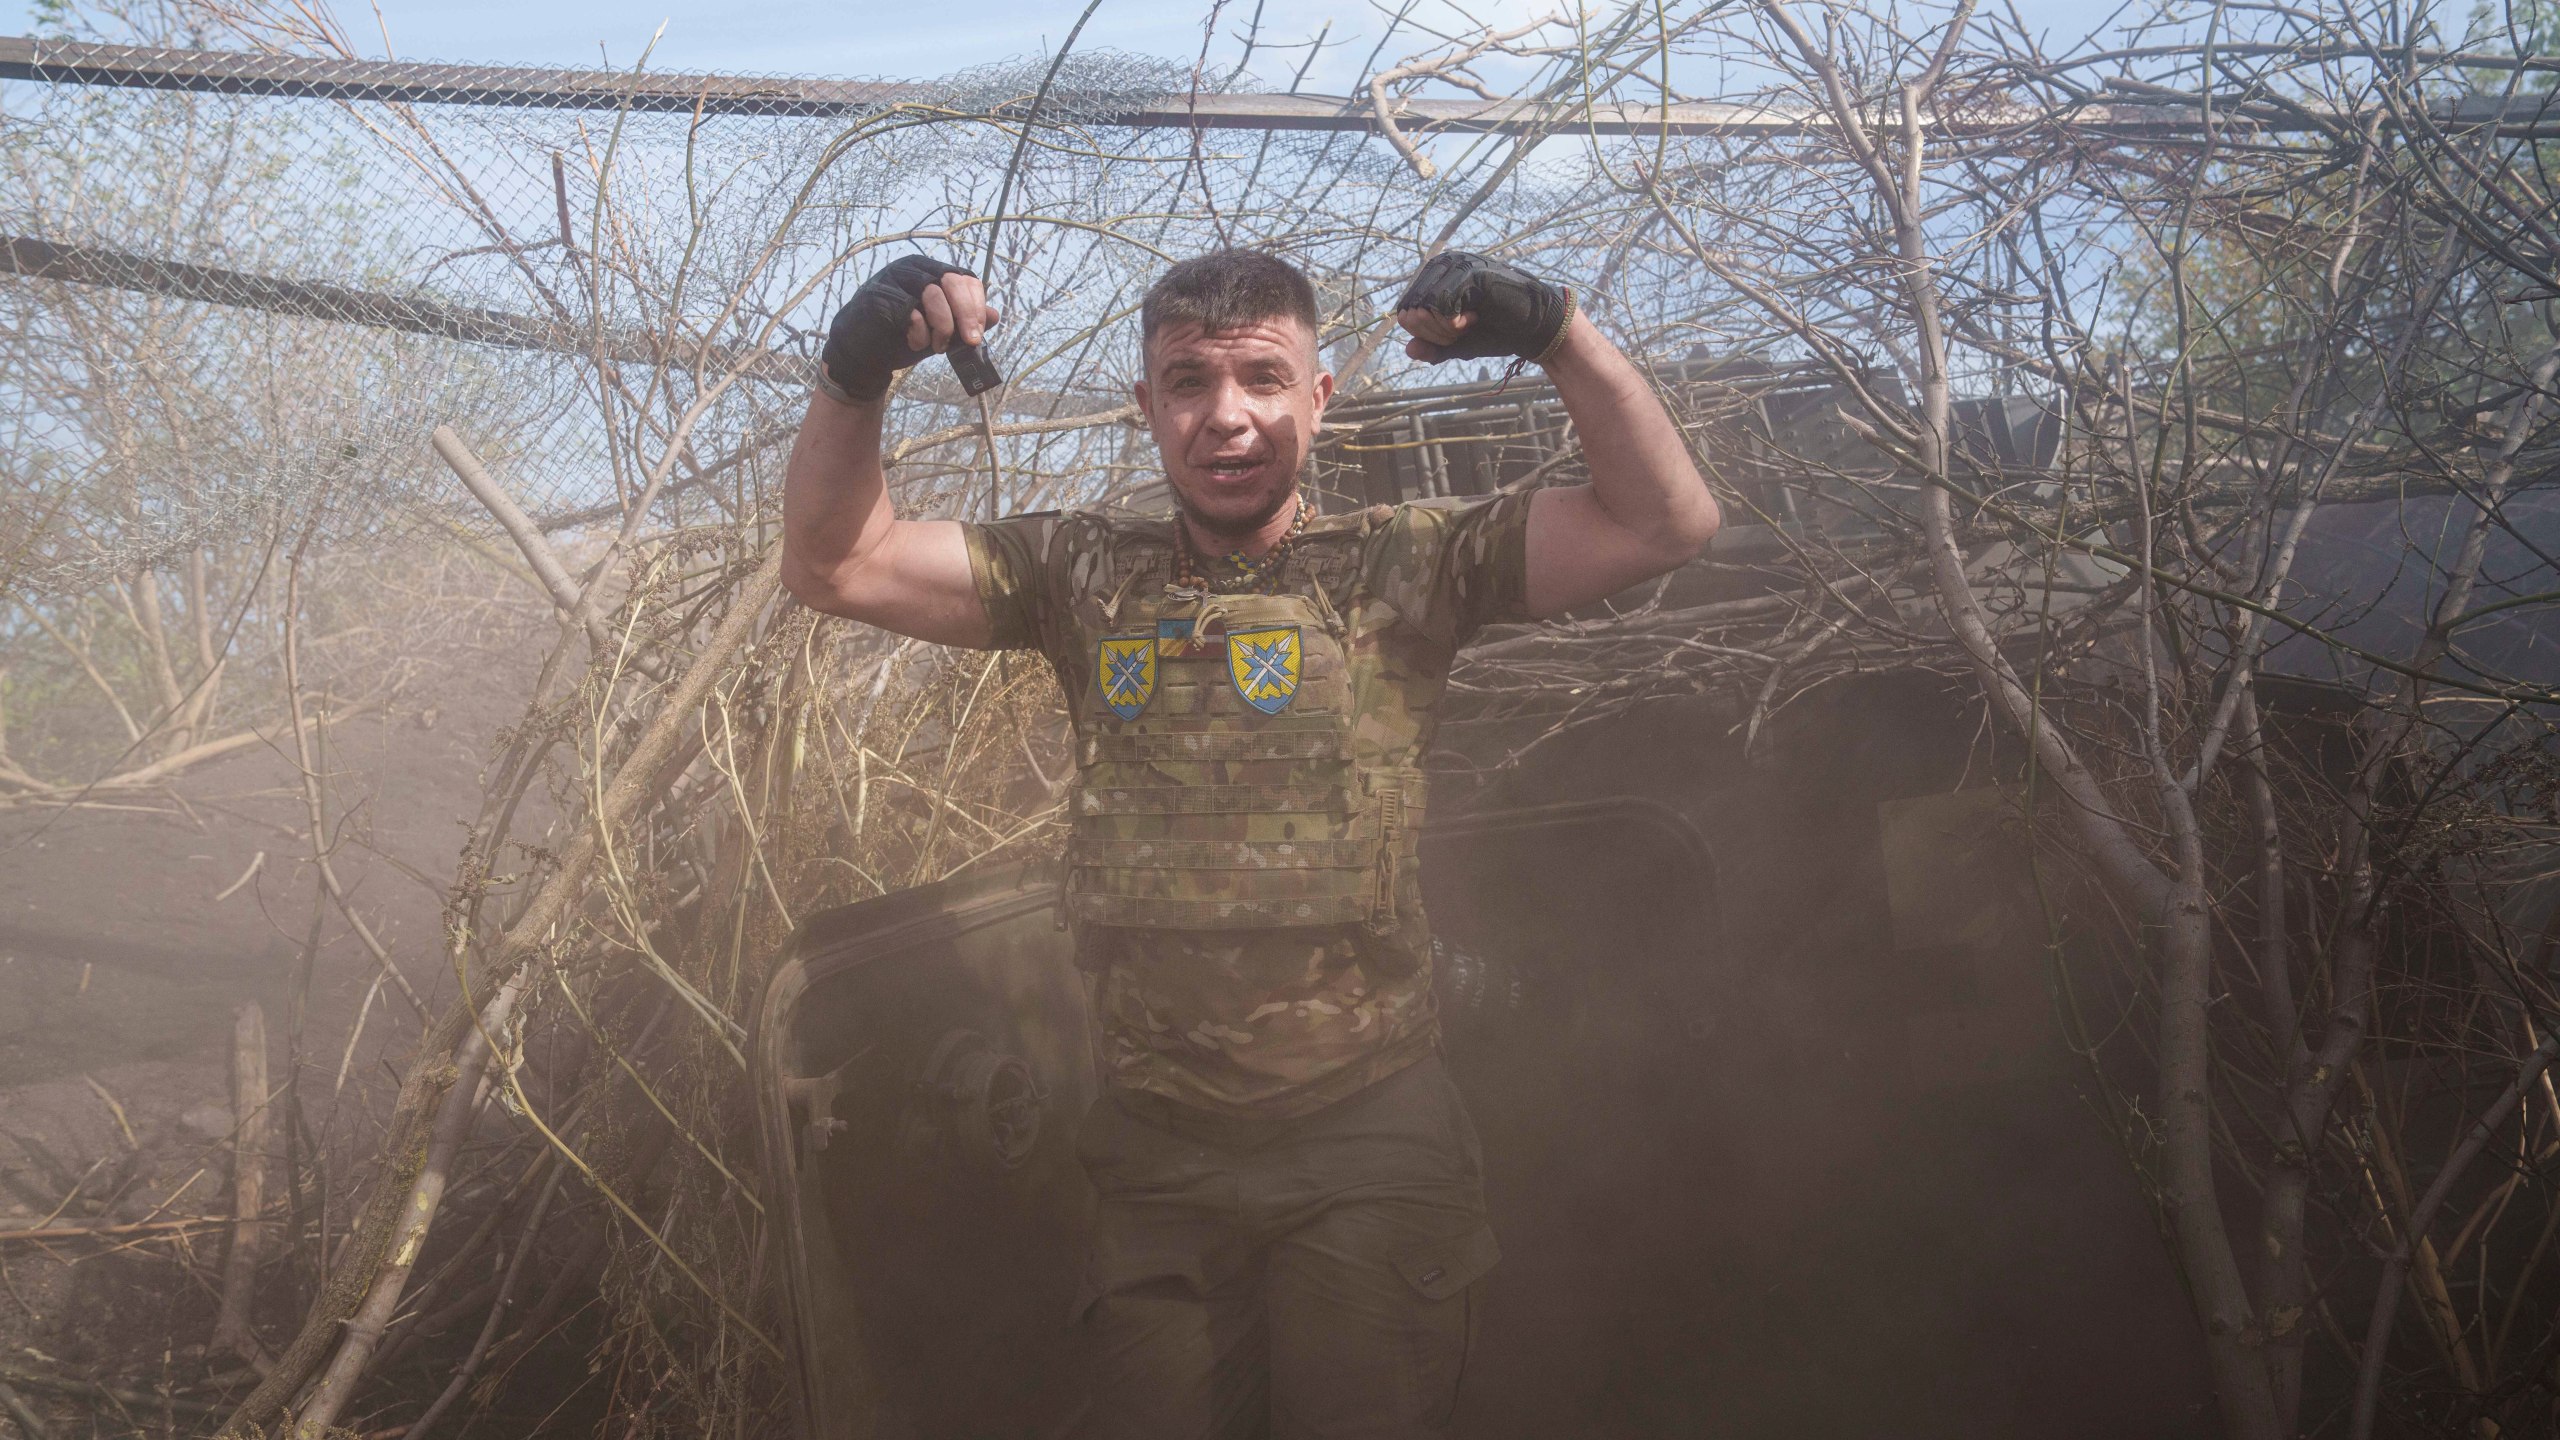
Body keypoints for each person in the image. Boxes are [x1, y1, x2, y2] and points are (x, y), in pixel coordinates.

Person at [782, 248, 1716, 1439]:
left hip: (1367, 1137)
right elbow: (835, 563)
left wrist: (1558, 333)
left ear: (1318, 398)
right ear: (1147, 409)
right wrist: (854, 378)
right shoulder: (1080, 576)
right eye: (1187, 383)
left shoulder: (1405, 561)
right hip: (1157, 1157)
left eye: (1263, 378)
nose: (1226, 417)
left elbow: (1664, 523)